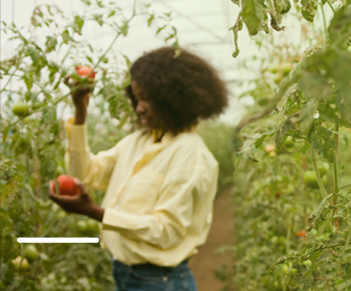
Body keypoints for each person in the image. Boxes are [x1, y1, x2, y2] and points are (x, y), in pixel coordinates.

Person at [49, 47, 228, 291]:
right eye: (136, 99)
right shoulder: (138, 141)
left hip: (160, 281)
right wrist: (80, 112)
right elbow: (85, 174)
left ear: (173, 99)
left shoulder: (190, 155)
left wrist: (96, 213)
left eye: (147, 99)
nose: (139, 108)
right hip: (127, 275)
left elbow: (166, 232)